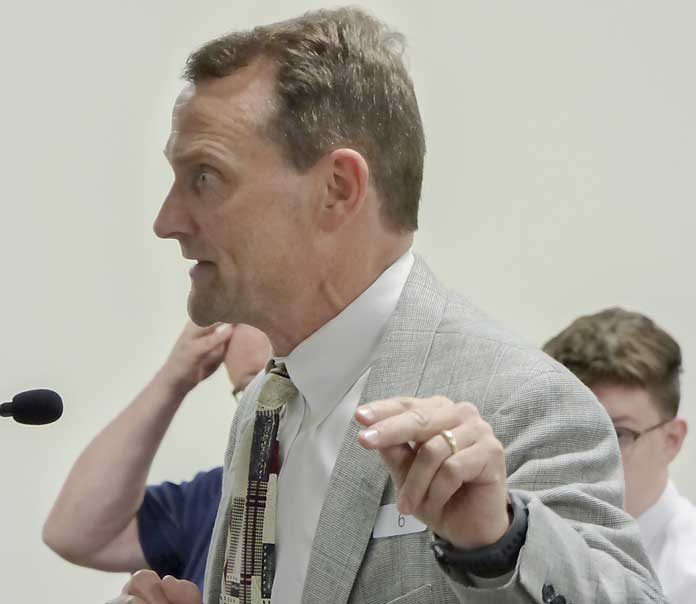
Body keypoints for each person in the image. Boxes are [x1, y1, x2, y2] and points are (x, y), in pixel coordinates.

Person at [109, 8, 665, 604]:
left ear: (338, 189)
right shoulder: (267, 404)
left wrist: (500, 543)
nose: (167, 222)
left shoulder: (525, 401)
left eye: (205, 178)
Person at [42, 321, 271, 591]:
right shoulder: (222, 495)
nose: (266, 407)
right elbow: (72, 532)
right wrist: (173, 380)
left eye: (273, 381)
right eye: (247, 391)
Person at [544, 307, 696, 602]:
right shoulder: (526, 547)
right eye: (570, 432)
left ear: (671, 441)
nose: (585, 457)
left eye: (617, 435)